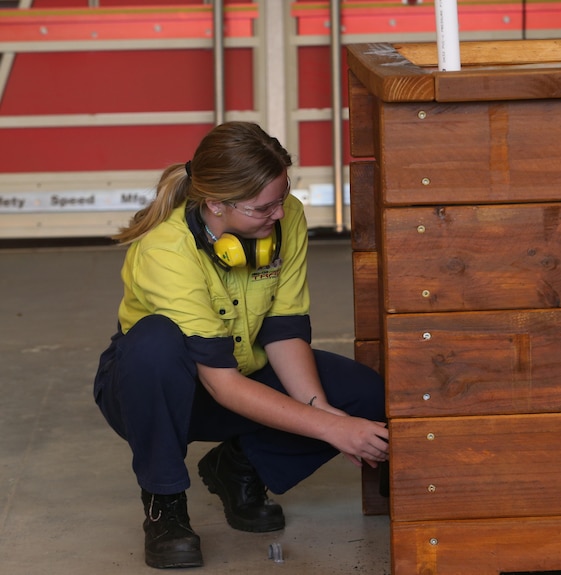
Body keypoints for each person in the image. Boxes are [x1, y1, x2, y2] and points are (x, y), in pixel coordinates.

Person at [93, 121, 388, 569]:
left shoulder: (284, 216)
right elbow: (222, 386)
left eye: (283, 197)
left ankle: (238, 466)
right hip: (158, 388)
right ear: (215, 203)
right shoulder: (166, 251)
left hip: (239, 371)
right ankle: (164, 503)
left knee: (364, 396)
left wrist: (324, 412)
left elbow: (284, 330)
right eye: (263, 208)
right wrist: (330, 430)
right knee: (155, 343)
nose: (280, 215)